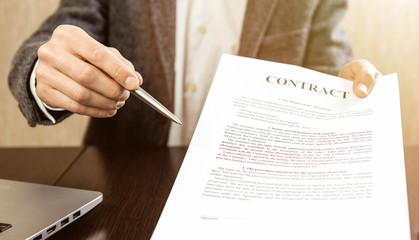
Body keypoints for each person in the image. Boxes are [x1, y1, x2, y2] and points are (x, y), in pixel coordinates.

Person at [8, 0, 381, 146]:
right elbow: (51, 41)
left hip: (257, 182)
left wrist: (343, 89)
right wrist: (44, 72)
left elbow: (328, 66)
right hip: (122, 181)